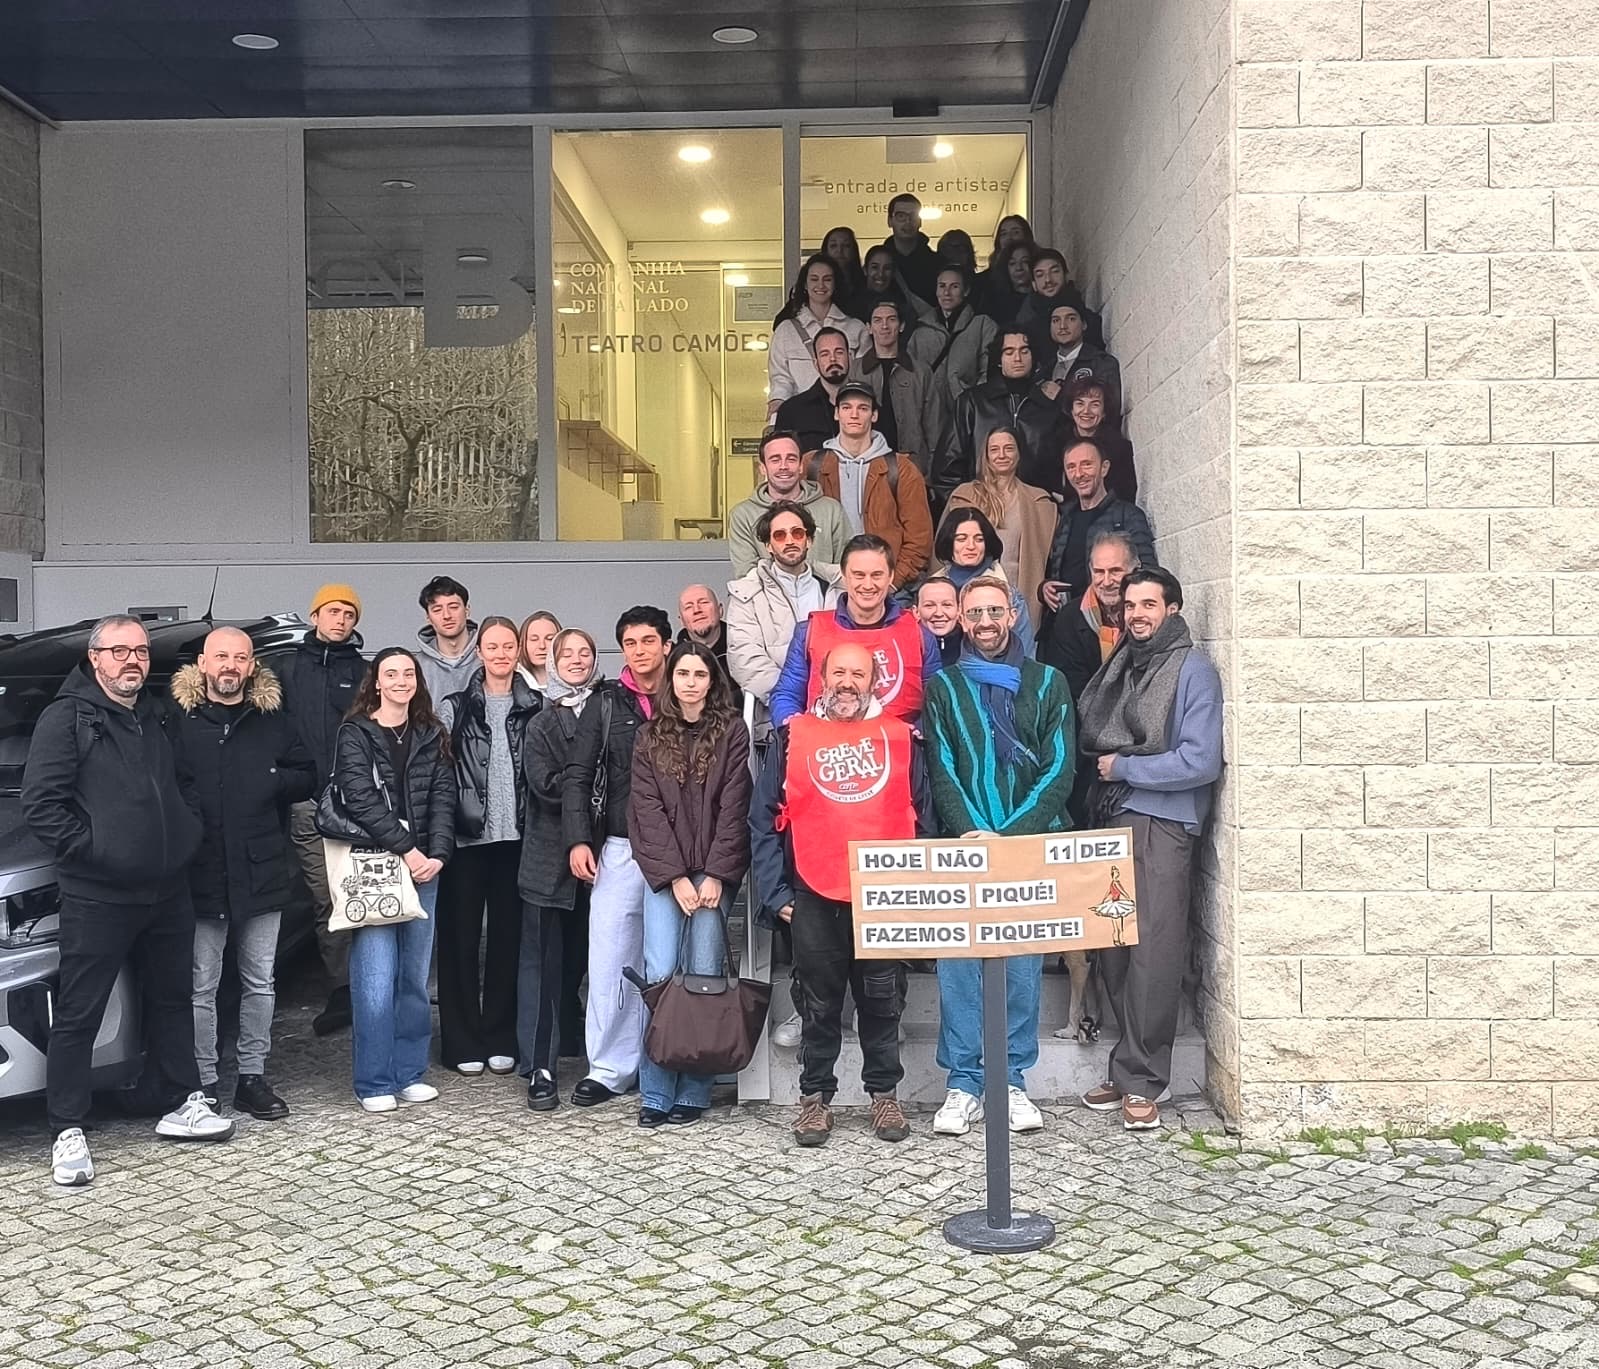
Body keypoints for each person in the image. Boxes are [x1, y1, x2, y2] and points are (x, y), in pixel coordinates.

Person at [23, 615, 228, 1186]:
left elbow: (184, 786)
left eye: (139, 651)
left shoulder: (155, 712)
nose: (132, 660)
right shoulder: (66, 718)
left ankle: (183, 1100)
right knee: (80, 1011)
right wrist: (98, 852)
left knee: (172, 1000)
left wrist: (184, 836)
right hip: (98, 894)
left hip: (167, 889)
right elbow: (43, 806)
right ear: (95, 658)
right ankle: (67, 1127)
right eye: (119, 651)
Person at [750, 641, 931, 1147]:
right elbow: (762, 817)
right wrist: (775, 892)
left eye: (858, 674)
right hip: (811, 889)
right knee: (817, 1003)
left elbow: (925, 816)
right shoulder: (793, 738)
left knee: (883, 1001)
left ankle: (884, 1095)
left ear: (874, 681)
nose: (847, 683)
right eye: (838, 673)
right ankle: (814, 1099)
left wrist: (916, 890)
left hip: (884, 893)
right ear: (822, 679)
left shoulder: (902, 737)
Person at [923, 575, 1076, 1138]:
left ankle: (1010, 1079)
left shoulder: (1048, 682)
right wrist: (973, 835)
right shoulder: (944, 687)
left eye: (995, 611)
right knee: (959, 966)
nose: (985, 622)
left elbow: (1060, 767)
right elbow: (942, 768)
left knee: (1022, 966)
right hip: (963, 849)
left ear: (1012, 615)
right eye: (974, 613)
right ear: (961, 620)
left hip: (1027, 848)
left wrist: (1009, 839)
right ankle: (964, 1083)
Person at [1077, 568, 1222, 1132]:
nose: (1137, 614)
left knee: (1154, 953)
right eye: (1131, 605)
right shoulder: (1127, 663)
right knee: (1114, 946)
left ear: (1173, 609)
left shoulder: (1192, 670)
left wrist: (1126, 768)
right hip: (1114, 813)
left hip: (1163, 822)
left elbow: (1199, 761)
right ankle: (1127, 1065)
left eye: (1149, 605)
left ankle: (1145, 1081)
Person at [170, 627, 316, 1122]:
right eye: (221, 657)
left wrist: (270, 780)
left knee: (260, 981)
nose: (230, 666)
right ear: (203, 663)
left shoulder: (273, 719)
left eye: (240, 658)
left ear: (252, 666)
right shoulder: (177, 720)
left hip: (261, 869)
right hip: (201, 870)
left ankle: (251, 1078)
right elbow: (164, 785)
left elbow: (308, 774)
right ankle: (204, 1083)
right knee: (201, 986)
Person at [628, 641, 752, 1128]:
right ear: (671, 679)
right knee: (660, 973)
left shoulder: (733, 731)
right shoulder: (648, 735)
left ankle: (695, 1089)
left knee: (703, 973)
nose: (691, 683)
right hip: (667, 872)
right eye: (683, 674)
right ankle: (657, 1089)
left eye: (701, 674)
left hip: (714, 872)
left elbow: (735, 805)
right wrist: (675, 877)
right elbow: (646, 810)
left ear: (712, 682)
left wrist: (717, 874)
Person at [334, 647, 456, 1112]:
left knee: (414, 979)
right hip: (374, 868)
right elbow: (360, 799)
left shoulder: (431, 732)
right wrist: (407, 850)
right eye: (392, 673)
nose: (401, 681)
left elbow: (444, 796)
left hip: (425, 869)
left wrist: (437, 855)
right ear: (377, 682)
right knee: (375, 979)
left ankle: (409, 1073)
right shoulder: (355, 733)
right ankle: (374, 1081)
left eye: (409, 673)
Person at [562, 606, 672, 1106]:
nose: (639, 651)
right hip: (620, 846)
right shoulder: (605, 703)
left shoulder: (688, 692)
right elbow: (578, 773)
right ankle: (609, 1068)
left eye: (648, 641)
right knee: (610, 958)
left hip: (679, 849)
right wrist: (578, 839)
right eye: (630, 643)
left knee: (673, 960)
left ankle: (674, 1057)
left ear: (667, 645)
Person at [437, 617, 540, 1077]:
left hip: (516, 840)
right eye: (492, 646)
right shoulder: (455, 707)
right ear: (479, 652)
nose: (501, 654)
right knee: (458, 940)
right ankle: (461, 1040)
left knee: (508, 941)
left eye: (508, 646)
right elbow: (439, 774)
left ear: (518, 651)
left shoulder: (534, 705)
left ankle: (501, 1035)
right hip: (466, 840)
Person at [517, 627, 599, 1110]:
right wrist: (590, 784)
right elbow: (545, 786)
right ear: (552, 661)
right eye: (566, 653)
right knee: (543, 966)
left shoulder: (609, 709)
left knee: (591, 961)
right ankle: (540, 1066)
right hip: (549, 858)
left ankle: (595, 1054)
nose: (576, 660)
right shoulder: (541, 722)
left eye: (584, 652)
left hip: (603, 856)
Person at [279, 583, 366, 1037]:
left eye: (349, 614)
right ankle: (342, 990)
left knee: (362, 894)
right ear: (315, 616)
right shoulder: (288, 669)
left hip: (358, 806)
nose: (341, 620)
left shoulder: (364, 671)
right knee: (325, 898)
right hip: (308, 803)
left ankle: (372, 984)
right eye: (333, 612)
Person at [769, 533, 942, 727]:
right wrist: (791, 725)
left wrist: (918, 732)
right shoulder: (809, 631)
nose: (868, 585)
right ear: (844, 576)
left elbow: (936, 702)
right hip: (826, 742)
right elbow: (787, 695)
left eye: (876, 575)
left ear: (891, 576)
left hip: (900, 743)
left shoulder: (919, 634)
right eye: (859, 575)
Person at [802, 381, 934, 591]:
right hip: (824, 584)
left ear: (874, 415)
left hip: (886, 584)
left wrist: (893, 583)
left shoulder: (901, 469)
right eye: (846, 407)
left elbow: (920, 538)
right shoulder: (812, 464)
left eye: (863, 408)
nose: (854, 414)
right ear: (836, 413)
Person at [726, 500, 844, 708]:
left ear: (809, 540)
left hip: (841, 705)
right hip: (776, 711)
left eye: (797, 533)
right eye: (779, 535)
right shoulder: (747, 593)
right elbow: (745, 660)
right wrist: (790, 698)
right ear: (768, 546)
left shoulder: (840, 586)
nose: (789, 541)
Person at [932, 330, 1066, 508]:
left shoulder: (1048, 409)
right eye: (1009, 352)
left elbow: (1061, 470)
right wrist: (966, 508)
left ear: (1033, 356)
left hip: (1034, 511)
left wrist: (1049, 507)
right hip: (980, 509)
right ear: (998, 359)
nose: (1017, 358)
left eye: (1024, 351)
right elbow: (946, 470)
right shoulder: (973, 402)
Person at [940, 426, 1056, 632]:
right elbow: (943, 553)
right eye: (994, 449)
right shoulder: (965, 497)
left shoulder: (1038, 502)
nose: (1001, 455)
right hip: (971, 602)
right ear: (985, 455)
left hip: (1019, 600)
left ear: (1019, 453)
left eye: (1009, 448)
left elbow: (1051, 560)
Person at [1041, 437, 1157, 612]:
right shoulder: (1065, 519)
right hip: (1069, 620)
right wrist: (1045, 587)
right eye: (1071, 467)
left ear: (1104, 468)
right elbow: (1056, 571)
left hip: (1113, 618)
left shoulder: (1128, 515)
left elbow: (1148, 574)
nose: (1078, 474)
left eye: (1086, 464)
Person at [728, 430, 849, 578]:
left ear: (801, 465)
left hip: (825, 592)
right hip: (766, 593)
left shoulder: (831, 510)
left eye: (791, 459)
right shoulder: (742, 515)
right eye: (775, 460)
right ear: (762, 468)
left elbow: (845, 568)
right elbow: (747, 574)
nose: (784, 466)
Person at [1042, 528, 1139, 703]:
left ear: (1134, 570)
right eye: (1099, 572)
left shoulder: (1146, 615)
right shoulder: (1069, 619)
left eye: (1115, 571)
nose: (1106, 582)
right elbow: (1071, 685)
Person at [767, 254, 866, 422]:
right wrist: (777, 404)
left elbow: (863, 378)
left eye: (827, 279)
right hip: (800, 417)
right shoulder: (785, 330)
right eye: (814, 279)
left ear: (835, 284)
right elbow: (780, 379)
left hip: (846, 417)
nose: (821, 285)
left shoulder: (856, 328)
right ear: (805, 284)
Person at [906, 265, 997, 441]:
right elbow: (911, 376)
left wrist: (972, 401)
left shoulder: (982, 326)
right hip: (929, 415)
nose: (947, 292)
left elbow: (988, 372)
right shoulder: (920, 332)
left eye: (954, 286)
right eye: (942, 286)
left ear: (966, 291)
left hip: (968, 412)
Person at [930, 507, 1036, 656]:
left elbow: (1025, 654)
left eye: (979, 539)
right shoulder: (932, 591)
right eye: (961, 539)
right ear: (949, 543)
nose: (971, 546)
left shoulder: (1009, 596)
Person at [848, 298, 935, 469]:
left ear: (901, 326)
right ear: (869, 328)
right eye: (877, 320)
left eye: (891, 319)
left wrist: (931, 473)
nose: (884, 326)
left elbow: (934, 427)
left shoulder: (920, 372)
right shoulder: (855, 371)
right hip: (866, 463)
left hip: (912, 464)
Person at [1057, 374, 1138, 502]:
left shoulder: (1119, 448)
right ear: (1071, 410)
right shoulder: (1056, 443)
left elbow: (1126, 493)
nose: (1086, 411)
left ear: (1104, 412)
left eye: (1094, 405)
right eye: (1080, 404)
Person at [771, 329, 851, 458]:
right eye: (824, 354)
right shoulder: (791, 411)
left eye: (839, 352)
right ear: (815, 363)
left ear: (850, 357)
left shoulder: (869, 406)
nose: (833, 359)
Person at [1038, 290, 1122, 409]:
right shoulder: (1043, 373)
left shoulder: (1101, 363)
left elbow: (1110, 408)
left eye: (1071, 319)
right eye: (1056, 320)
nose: (1062, 326)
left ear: (1084, 324)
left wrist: (1061, 397)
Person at [1018, 246, 1105, 353]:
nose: (1048, 280)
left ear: (1066, 275)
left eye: (1054, 271)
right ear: (1034, 284)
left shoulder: (1088, 320)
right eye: (1040, 275)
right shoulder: (1027, 327)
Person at [416, 575, 480, 702]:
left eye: (453, 607)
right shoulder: (417, 666)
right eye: (437, 610)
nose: (446, 615)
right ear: (428, 618)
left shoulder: (489, 657)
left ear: (467, 610)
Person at [677, 584, 742, 708]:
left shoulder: (743, 649)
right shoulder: (674, 661)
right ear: (682, 621)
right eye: (689, 607)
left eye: (704, 602)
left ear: (720, 610)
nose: (697, 610)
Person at [880, 192, 942, 308]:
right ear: (889, 221)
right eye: (901, 216)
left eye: (913, 216)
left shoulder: (938, 264)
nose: (907, 221)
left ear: (920, 221)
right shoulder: (880, 263)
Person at [859, 243, 936, 329]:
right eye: (875, 267)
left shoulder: (903, 307)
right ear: (865, 270)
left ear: (893, 273)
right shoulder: (854, 304)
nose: (880, 274)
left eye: (887, 268)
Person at [972, 214, 1032, 318]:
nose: (1009, 238)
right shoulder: (984, 280)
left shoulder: (1038, 270)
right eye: (1004, 234)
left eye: (1016, 232)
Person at [978, 239, 1037, 329]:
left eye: (1025, 262)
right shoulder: (993, 302)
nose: (1019, 268)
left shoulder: (1042, 298)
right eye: (1012, 263)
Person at [912, 574, 963, 668]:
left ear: (959, 610)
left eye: (947, 605)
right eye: (929, 605)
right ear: (916, 612)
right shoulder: (905, 645)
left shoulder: (972, 642)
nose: (939, 613)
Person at [821, 225, 868, 315]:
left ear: (854, 250)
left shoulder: (864, 284)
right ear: (826, 250)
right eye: (833, 246)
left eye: (846, 245)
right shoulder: (816, 284)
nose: (839, 250)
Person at [517, 611, 561, 691]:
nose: (542, 646)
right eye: (534, 639)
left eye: (549, 639)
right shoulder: (510, 684)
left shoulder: (577, 682)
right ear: (523, 644)